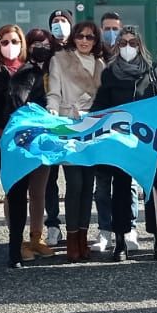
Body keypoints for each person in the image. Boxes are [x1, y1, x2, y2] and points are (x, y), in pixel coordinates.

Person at [0, 25, 52, 271]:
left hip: (17, 143)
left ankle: (15, 249)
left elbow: (40, 106)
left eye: (14, 41)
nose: (9, 45)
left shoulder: (31, 72)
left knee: (17, 196)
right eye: (4, 41)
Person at [91, 27, 157, 261]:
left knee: (152, 187)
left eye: (133, 42)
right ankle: (121, 239)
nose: (128, 47)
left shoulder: (152, 70)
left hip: (148, 139)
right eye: (123, 42)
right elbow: (101, 105)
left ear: (140, 45)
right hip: (120, 140)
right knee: (121, 188)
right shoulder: (110, 72)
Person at [48, 19, 108, 259]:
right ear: (73, 37)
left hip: (92, 127)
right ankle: (72, 237)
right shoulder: (59, 59)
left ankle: (83, 236)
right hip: (69, 124)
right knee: (74, 184)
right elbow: (53, 92)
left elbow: (104, 97)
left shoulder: (101, 63)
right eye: (80, 36)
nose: (84, 41)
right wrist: (52, 113)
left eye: (90, 37)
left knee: (88, 185)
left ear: (96, 41)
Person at [21, 26, 64, 250]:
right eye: (37, 45)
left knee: (41, 189)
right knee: (17, 190)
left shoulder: (54, 69)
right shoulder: (22, 69)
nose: (42, 49)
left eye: (47, 46)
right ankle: (16, 239)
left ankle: (37, 236)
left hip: (48, 136)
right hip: (22, 137)